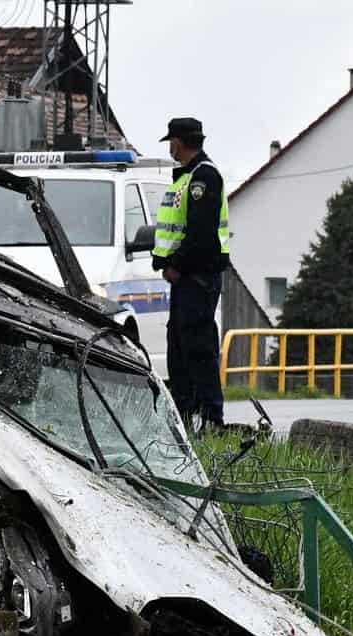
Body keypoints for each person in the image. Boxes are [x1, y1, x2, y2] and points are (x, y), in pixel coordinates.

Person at [152, 117, 230, 430]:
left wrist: (176, 266)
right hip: (187, 279)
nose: (170, 147)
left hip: (197, 277)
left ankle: (211, 418)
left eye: (171, 141)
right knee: (180, 350)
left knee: (198, 349)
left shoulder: (203, 177)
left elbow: (201, 233)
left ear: (179, 142)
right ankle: (184, 417)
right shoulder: (188, 177)